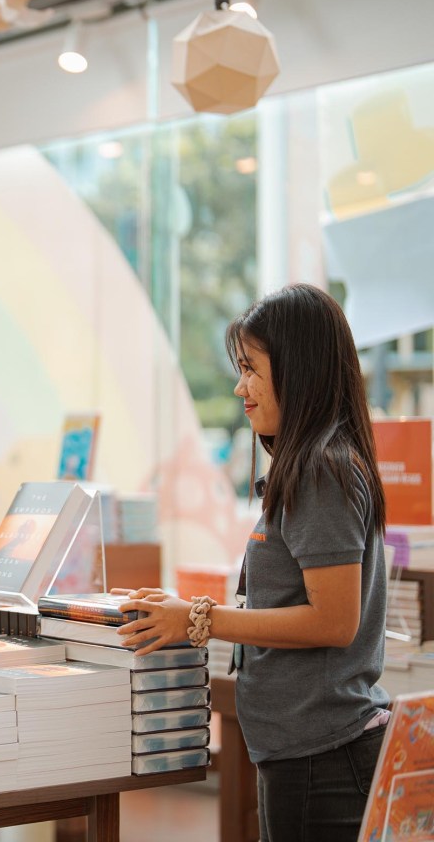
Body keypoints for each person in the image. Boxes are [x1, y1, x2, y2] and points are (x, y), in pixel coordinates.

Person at [115, 283, 388, 842]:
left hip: (324, 756)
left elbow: (333, 620)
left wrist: (197, 618)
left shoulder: (320, 471)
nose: (240, 387)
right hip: (307, 750)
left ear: (299, 369)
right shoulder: (313, 466)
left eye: (251, 369)